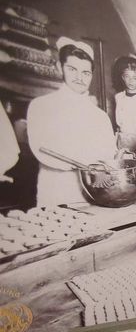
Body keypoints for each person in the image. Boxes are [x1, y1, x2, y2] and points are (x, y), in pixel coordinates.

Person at [27, 37, 117, 206]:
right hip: (57, 191)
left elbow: (108, 155)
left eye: (85, 73)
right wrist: (87, 163)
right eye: (72, 69)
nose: (79, 77)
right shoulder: (41, 106)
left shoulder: (100, 116)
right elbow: (42, 150)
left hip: (92, 194)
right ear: (60, 68)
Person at [112, 55, 136, 157]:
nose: (130, 81)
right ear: (123, 78)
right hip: (122, 142)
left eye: (134, 78)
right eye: (127, 77)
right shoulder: (118, 97)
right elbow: (118, 124)